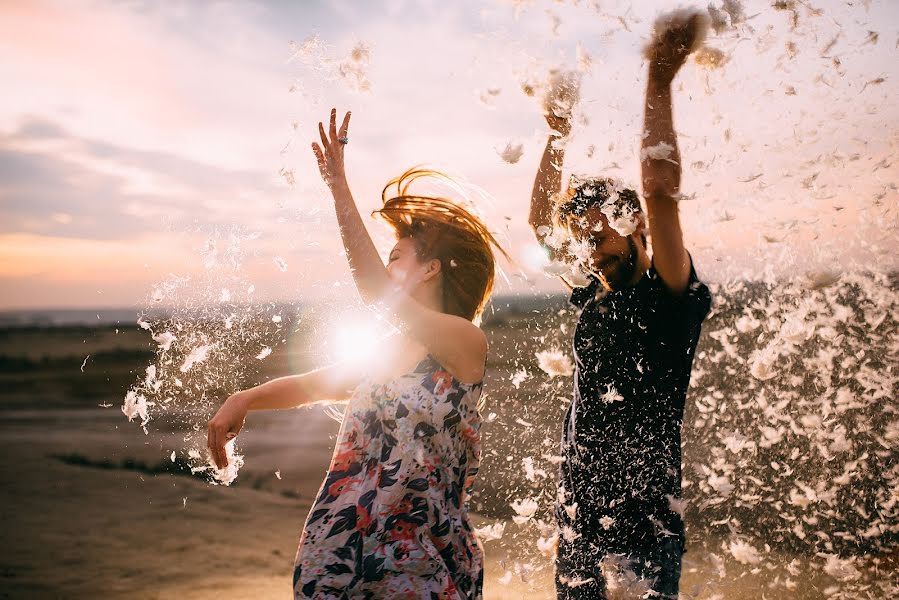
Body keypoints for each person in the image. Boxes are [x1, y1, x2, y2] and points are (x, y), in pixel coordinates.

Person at [207, 108, 507, 599]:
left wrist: (338, 185)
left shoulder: (463, 342)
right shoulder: (387, 350)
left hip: (420, 558)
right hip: (338, 553)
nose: (386, 268)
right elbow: (311, 385)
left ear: (431, 269)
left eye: (395, 257)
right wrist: (244, 397)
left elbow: (372, 291)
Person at [528, 11, 713, 599]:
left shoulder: (670, 297)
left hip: (646, 528)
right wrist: (557, 134)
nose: (590, 249)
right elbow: (540, 225)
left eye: (601, 234)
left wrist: (658, 78)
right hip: (579, 518)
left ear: (635, 229)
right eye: (582, 239)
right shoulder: (593, 291)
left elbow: (660, 190)